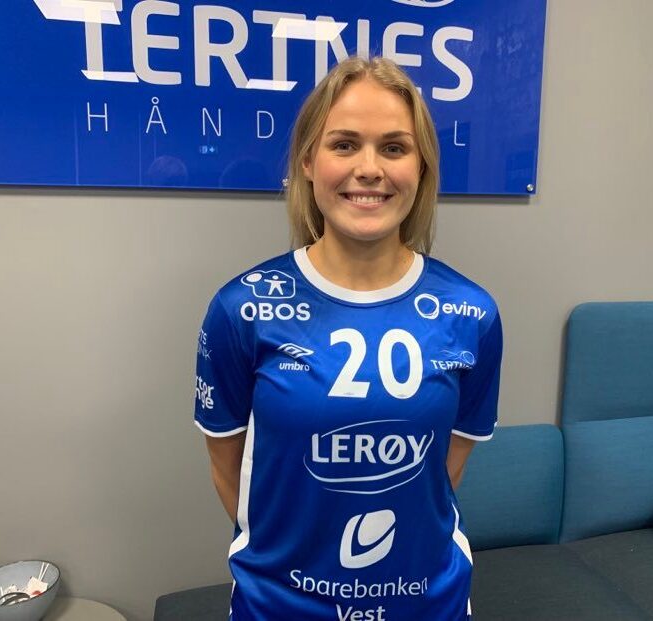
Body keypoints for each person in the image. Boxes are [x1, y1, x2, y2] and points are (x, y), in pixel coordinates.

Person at [194, 55, 503, 621]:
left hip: (426, 604)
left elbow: (444, 474)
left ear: (421, 167)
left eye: (394, 148)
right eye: (344, 144)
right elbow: (229, 472)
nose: (369, 169)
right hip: (280, 606)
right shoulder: (241, 309)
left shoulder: (472, 313)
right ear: (308, 162)